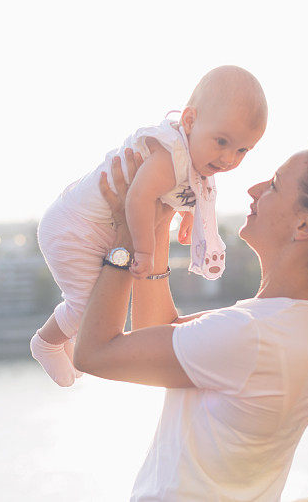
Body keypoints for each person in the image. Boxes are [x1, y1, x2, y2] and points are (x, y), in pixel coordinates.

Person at [73, 141, 308, 501]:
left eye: (274, 185)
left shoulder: (251, 334)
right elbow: (154, 344)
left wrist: (125, 235)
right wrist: (154, 225)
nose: (254, 189)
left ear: (307, 225)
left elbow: (94, 353)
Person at [30, 65, 268, 387]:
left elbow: (172, 194)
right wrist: (143, 249)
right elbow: (138, 199)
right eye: (222, 141)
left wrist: (186, 213)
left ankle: (65, 339)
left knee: (95, 302)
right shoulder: (170, 157)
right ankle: (46, 342)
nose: (228, 158)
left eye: (242, 150)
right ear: (189, 121)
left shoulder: (191, 158)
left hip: (91, 227)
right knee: (89, 306)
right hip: (75, 229)